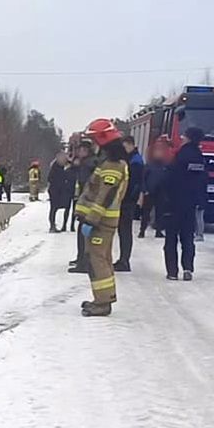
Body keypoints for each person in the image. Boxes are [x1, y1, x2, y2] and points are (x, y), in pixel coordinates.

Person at [74, 119, 129, 317]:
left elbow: (104, 195)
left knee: (96, 260)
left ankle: (102, 303)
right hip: (105, 221)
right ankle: (104, 298)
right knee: (102, 259)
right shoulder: (112, 162)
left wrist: (91, 219)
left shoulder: (112, 164)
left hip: (101, 222)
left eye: (94, 140)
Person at [154, 126, 207, 281]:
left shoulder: (180, 157)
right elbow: (202, 181)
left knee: (171, 239)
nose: (182, 138)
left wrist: (164, 199)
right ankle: (188, 268)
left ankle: (172, 271)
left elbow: (169, 180)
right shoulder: (200, 158)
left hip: (174, 203)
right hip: (190, 205)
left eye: (184, 136)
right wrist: (200, 200)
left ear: (189, 138)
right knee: (187, 238)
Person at [114, 135, 146, 272]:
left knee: (125, 231)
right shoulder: (133, 159)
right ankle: (123, 259)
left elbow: (134, 183)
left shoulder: (135, 161)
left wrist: (127, 198)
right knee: (123, 231)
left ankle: (124, 261)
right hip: (128, 200)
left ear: (131, 145)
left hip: (128, 201)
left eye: (125, 146)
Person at [67, 140, 97, 273]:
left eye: (80, 150)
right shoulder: (89, 163)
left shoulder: (87, 164)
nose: (78, 152)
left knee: (83, 233)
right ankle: (81, 259)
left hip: (86, 204)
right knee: (83, 233)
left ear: (85, 150)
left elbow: (84, 184)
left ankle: (83, 262)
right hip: (86, 203)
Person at [139, 136, 171, 238]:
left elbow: (167, 179)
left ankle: (158, 231)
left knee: (160, 213)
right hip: (150, 192)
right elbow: (143, 179)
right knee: (146, 213)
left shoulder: (165, 166)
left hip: (161, 193)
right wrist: (144, 190)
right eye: (157, 152)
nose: (159, 154)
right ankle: (142, 231)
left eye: (160, 152)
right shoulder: (149, 165)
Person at [47, 151, 73, 232]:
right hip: (55, 190)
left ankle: (62, 225)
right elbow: (50, 179)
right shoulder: (55, 167)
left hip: (62, 190)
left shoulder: (65, 166)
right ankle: (52, 226)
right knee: (53, 208)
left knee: (63, 207)